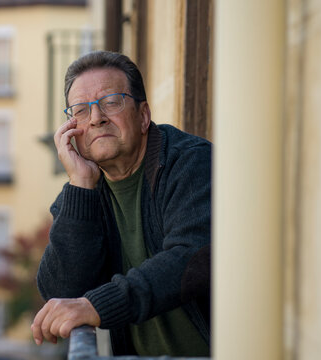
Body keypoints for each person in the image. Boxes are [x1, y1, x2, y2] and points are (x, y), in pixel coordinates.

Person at [31, 50, 211, 357]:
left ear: (143, 116)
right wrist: (81, 186)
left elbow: (190, 258)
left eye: (111, 102)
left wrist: (96, 305)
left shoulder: (190, 162)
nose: (98, 117)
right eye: (82, 110)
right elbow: (61, 292)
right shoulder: (81, 192)